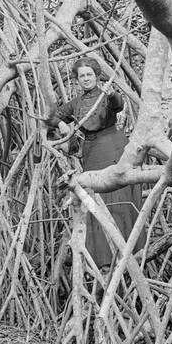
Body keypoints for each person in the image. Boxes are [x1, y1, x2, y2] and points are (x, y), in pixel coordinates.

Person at [47, 56, 141, 269]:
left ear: (97, 76)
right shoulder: (77, 103)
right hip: (91, 153)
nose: (86, 79)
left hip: (113, 148)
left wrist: (113, 94)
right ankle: (102, 257)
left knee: (115, 198)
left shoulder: (106, 96)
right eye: (82, 76)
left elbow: (118, 104)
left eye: (89, 74)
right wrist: (62, 124)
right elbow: (52, 116)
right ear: (77, 80)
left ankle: (124, 251)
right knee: (96, 200)